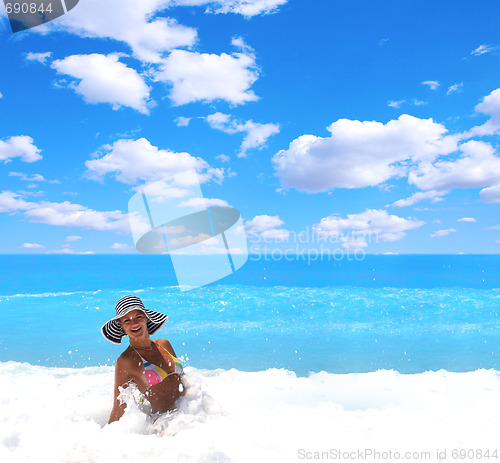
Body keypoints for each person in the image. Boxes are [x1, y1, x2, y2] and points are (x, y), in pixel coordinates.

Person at [101, 295, 185, 423]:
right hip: (165, 425)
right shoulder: (126, 361)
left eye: (138, 317)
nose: (134, 324)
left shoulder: (164, 344)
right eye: (127, 320)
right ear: (121, 326)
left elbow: (185, 381)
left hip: (191, 413)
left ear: (146, 317)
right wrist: (103, 438)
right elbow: (119, 407)